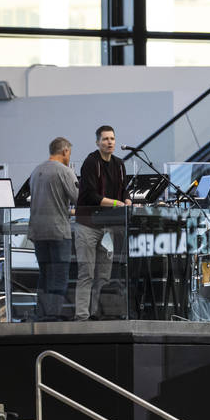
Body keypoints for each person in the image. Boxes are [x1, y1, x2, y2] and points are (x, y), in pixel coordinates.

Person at [74, 125, 130, 320]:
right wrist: (116, 203)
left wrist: (128, 200)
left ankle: (97, 315)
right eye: (105, 139)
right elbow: (89, 194)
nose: (110, 142)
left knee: (103, 277)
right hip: (87, 225)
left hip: (108, 227)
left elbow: (124, 189)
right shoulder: (91, 162)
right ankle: (81, 317)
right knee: (86, 274)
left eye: (112, 139)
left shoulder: (119, 164)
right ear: (98, 142)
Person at [29, 137, 78, 321]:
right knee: (59, 276)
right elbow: (79, 198)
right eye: (69, 154)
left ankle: (41, 315)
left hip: (38, 232)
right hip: (58, 232)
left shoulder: (36, 171)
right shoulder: (65, 171)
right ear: (65, 151)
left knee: (44, 274)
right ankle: (53, 316)